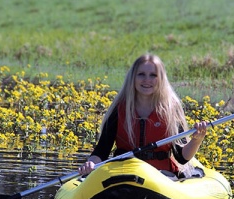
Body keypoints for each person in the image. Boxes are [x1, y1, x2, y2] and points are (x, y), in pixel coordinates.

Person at [79, 54, 208, 177]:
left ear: (161, 79)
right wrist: (91, 164)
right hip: (124, 174)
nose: (147, 80)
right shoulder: (118, 109)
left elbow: (181, 157)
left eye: (153, 75)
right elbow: (102, 150)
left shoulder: (170, 110)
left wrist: (197, 139)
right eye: (141, 74)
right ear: (133, 78)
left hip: (162, 176)